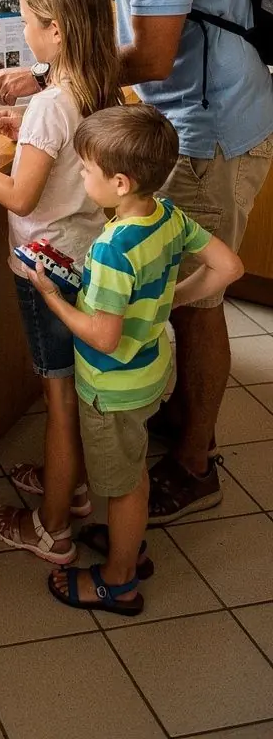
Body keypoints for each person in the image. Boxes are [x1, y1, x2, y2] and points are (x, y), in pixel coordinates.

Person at [0, 0, 273, 521]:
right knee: (174, 285)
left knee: (199, 303)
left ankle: (195, 462)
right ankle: (172, 416)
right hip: (198, 121)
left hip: (211, 133)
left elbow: (153, 57)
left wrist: (53, 79)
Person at [0, 0, 121, 564]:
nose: (22, 31)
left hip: (47, 271)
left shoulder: (49, 105)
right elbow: (65, 156)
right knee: (68, 386)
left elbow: (21, 196)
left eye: (27, 20)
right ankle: (76, 487)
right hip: (83, 259)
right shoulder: (94, 89)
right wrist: (26, 128)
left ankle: (52, 527)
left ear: (57, 30)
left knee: (59, 397)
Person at [31, 105, 242, 616]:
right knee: (134, 467)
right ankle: (129, 542)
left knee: (123, 485)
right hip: (150, 370)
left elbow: (103, 337)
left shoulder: (111, 250)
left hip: (112, 387)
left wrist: (51, 295)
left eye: (85, 169)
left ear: (120, 182)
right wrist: (172, 300)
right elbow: (229, 266)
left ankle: (118, 578)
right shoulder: (167, 215)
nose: (81, 174)